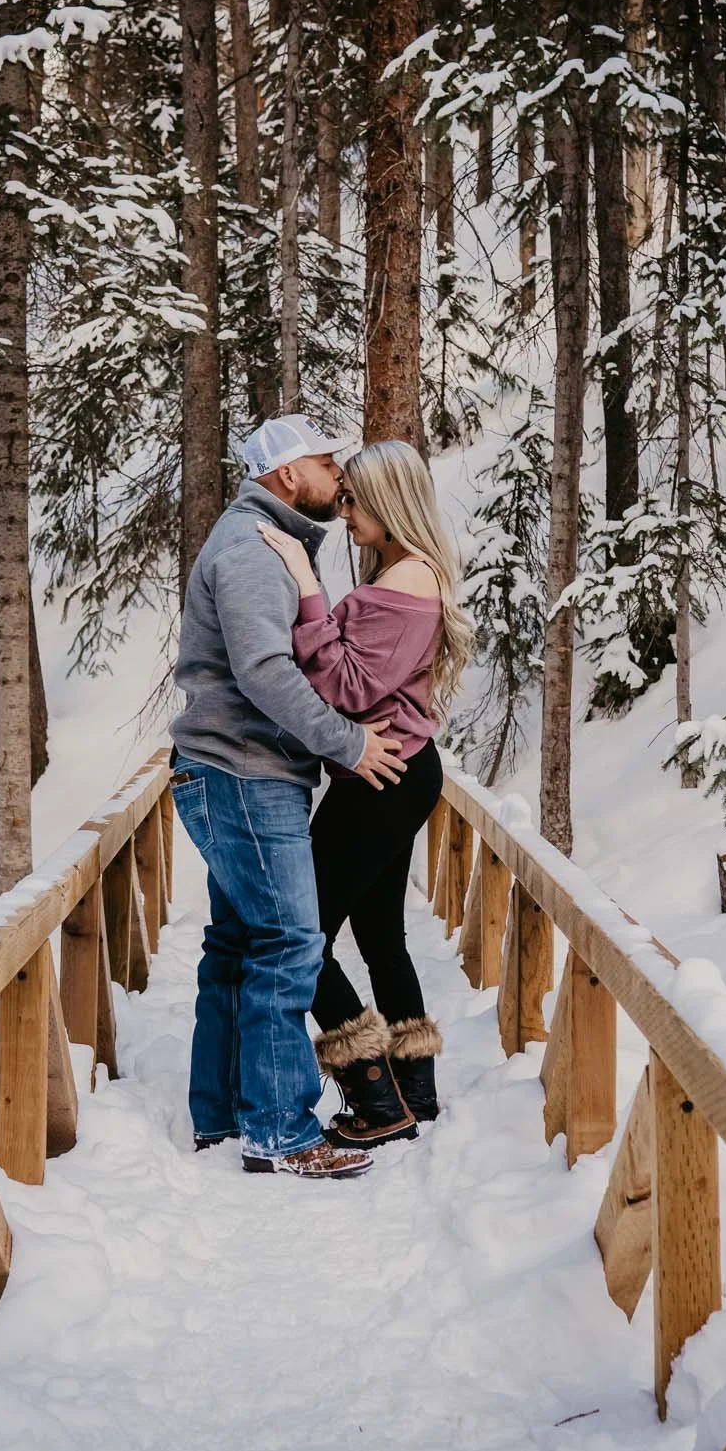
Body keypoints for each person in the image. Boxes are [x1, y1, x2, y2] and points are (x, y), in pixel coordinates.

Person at [168, 414, 410, 1180]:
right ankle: (279, 1130)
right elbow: (267, 674)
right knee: (291, 943)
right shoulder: (249, 551)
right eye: (325, 460)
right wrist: (349, 742)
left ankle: (221, 1113)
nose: (339, 473)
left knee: (238, 945)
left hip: (235, 771)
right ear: (284, 477)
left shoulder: (272, 543)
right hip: (242, 774)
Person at [256, 440, 475, 1148]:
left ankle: (377, 1097)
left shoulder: (405, 583)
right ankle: (416, 1090)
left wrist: (305, 584)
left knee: (300, 938)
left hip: (384, 778)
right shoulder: (406, 574)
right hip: (394, 770)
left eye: (353, 500)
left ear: (387, 502)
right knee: (381, 937)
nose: (344, 512)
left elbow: (348, 686)